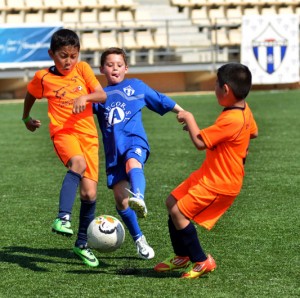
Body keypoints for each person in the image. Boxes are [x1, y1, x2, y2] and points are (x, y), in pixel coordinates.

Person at [154, 63, 258, 278]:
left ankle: (202, 260)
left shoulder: (232, 118)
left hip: (221, 182)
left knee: (179, 213)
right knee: (172, 201)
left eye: (216, 85)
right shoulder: (243, 110)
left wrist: (190, 119)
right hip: (209, 173)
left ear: (226, 89)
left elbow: (200, 143)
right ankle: (181, 255)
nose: (215, 90)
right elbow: (253, 133)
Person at [22, 28, 107, 267]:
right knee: (77, 164)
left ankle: (81, 244)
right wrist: (26, 118)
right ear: (52, 54)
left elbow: (101, 95)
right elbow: (30, 94)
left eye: (73, 55)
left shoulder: (83, 69)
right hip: (63, 132)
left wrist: (85, 98)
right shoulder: (43, 77)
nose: (68, 61)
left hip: (89, 136)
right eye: (62, 55)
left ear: (78, 54)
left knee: (90, 194)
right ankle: (62, 218)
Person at [93, 47, 184, 259]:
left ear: (126, 68)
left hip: (135, 141)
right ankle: (139, 240)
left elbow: (161, 100)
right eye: (110, 65)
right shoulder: (99, 95)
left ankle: (140, 197)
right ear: (101, 69)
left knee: (133, 163)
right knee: (120, 200)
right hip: (113, 151)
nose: (114, 68)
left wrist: (181, 111)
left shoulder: (136, 86)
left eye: (118, 65)